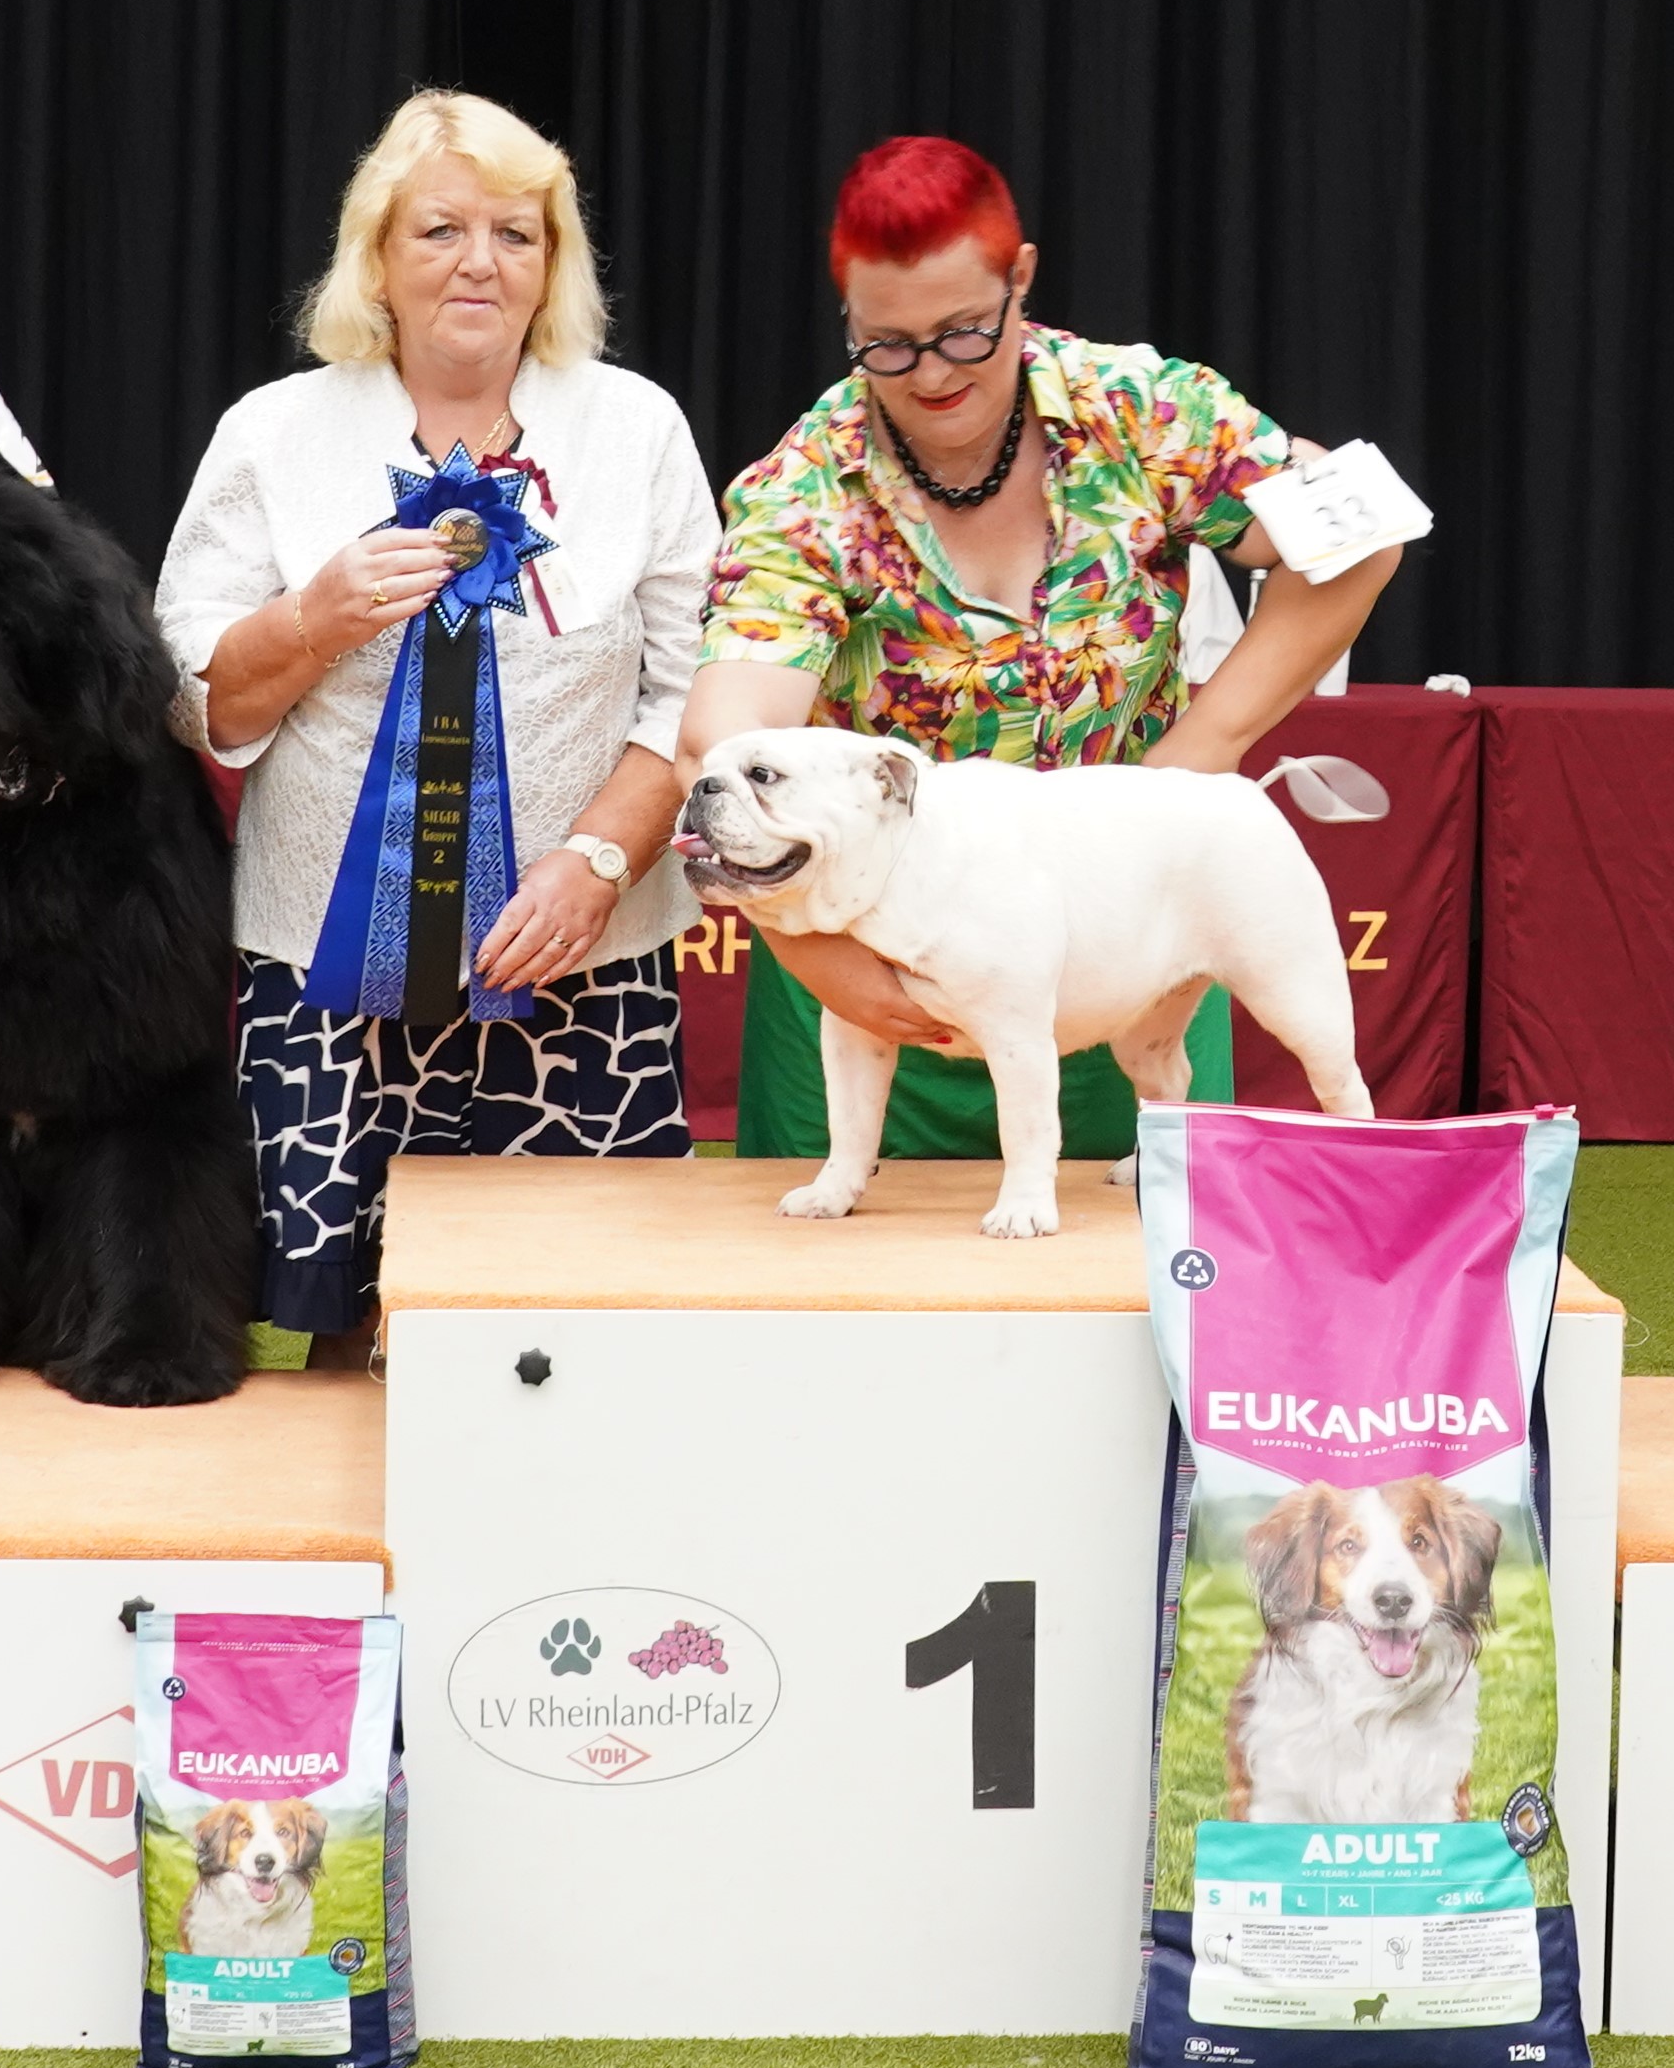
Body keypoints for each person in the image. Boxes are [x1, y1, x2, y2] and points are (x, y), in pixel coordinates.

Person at [677, 135, 1398, 1165]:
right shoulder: (806, 489)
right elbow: (723, 733)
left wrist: (1200, 751)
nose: (932, 373)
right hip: (863, 979)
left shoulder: (1140, 410)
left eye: (965, 331)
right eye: (888, 345)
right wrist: (808, 947)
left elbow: (1363, 532)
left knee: (1142, 1259)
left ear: (1020, 279)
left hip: (1124, 954)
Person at [158, 91, 718, 1362]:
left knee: (586, 1338)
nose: (480, 261)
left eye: (516, 234)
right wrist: (310, 620)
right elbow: (193, 696)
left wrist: (600, 862)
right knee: (345, 1341)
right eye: (441, 230)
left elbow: (694, 690)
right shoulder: (273, 433)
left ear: (553, 265)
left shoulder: (637, 427)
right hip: (326, 967)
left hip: (581, 962)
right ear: (376, 260)